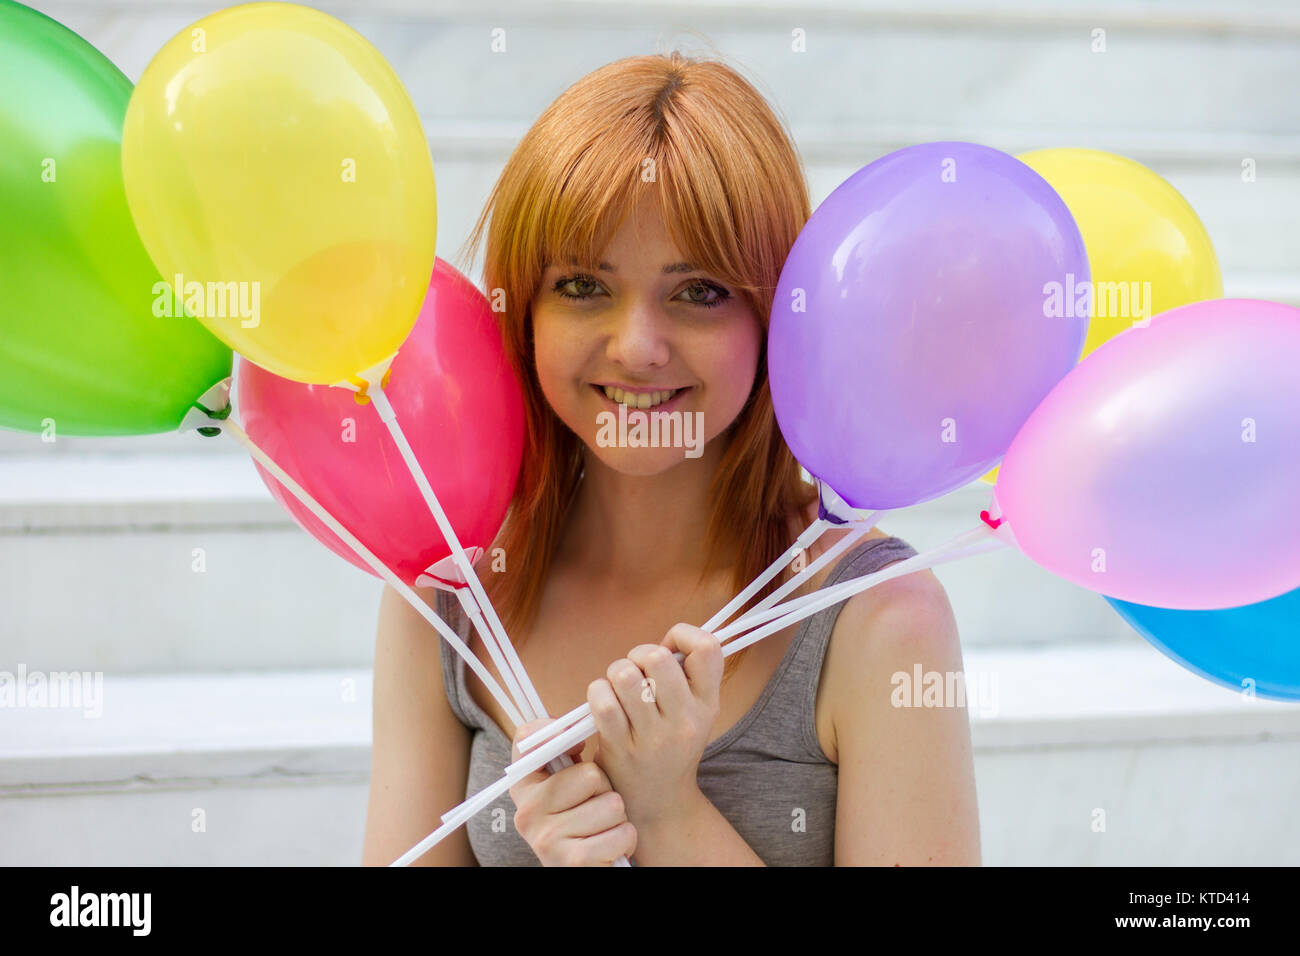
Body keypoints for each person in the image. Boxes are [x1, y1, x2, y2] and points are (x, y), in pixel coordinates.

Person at [362, 50, 980, 866]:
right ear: (525, 313)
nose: (637, 347)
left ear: (775, 318)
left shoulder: (878, 617)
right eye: (583, 285)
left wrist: (667, 817)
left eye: (699, 292)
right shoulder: (451, 594)